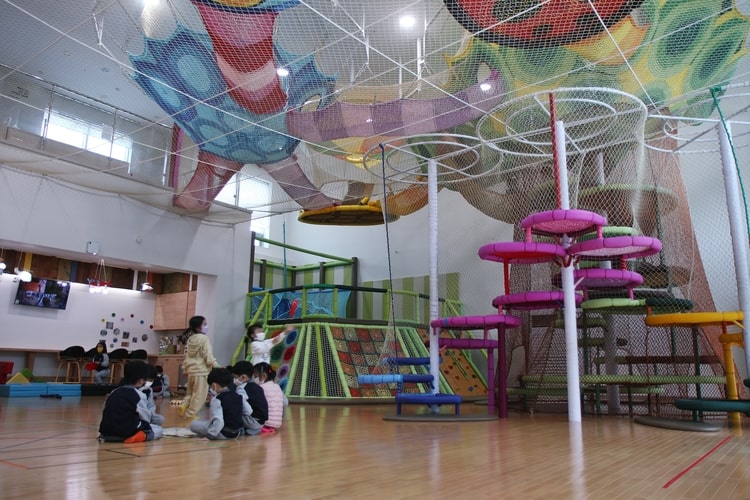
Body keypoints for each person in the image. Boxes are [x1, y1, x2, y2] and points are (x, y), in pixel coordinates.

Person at [98, 361, 163, 443]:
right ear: (141, 381)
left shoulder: (114, 392)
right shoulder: (139, 395)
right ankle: (142, 436)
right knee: (158, 429)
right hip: (126, 432)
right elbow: (145, 418)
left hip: (106, 432)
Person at [189, 367, 250, 440]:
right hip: (235, 434)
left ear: (214, 385)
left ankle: (212, 432)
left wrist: (210, 435)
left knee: (193, 424)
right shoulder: (238, 396)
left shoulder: (217, 399)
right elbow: (249, 411)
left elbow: (219, 421)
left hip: (222, 433)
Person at [179, 315, 219, 422]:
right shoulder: (204, 339)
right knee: (199, 395)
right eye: (205, 324)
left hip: (191, 372)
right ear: (198, 328)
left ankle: (184, 404)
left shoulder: (190, 339)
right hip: (201, 372)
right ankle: (191, 414)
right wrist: (216, 366)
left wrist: (185, 369)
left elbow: (187, 356)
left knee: (190, 392)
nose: (207, 326)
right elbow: (208, 355)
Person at [230, 360, 268, 436]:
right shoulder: (257, 387)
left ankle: (238, 429)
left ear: (243, 377)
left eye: (234, 377)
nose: (234, 380)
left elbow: (246, 409)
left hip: (252, 421)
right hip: (262, 422)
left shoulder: (241, 389)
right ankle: (252, 429)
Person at [252, 362, 284, 433]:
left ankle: (263, 427)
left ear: (263, 376)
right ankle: (270, 428)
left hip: (265, 422)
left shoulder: (261, 388)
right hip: (277, 423)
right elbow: (285, 402)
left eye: (255, 377)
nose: (254, 379)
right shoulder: (277, 386)